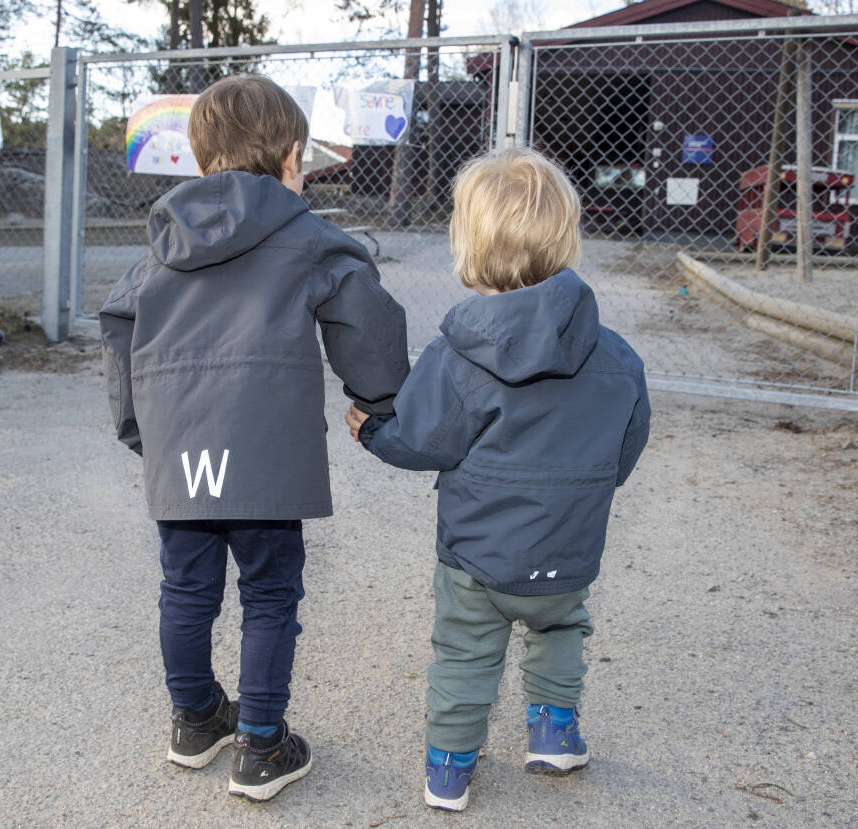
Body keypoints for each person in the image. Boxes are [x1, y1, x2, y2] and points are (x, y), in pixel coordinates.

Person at [100, 73, 410, 802]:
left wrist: (143, 432)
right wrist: (381, 401)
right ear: (293, 156)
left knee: (185, 585)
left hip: (183, 451)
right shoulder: (307, 235)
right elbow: (366, 320)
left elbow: (118, 330)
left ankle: (195, 718)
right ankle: (262, 745)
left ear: (200, 157)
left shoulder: (160, 245)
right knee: (269, 592)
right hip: (266, 456)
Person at [344, 147, 651, 812]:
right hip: (566, 551)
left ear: (469, 243)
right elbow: (625, 447)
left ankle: (449, 770)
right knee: (560, 629)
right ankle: (553, 733)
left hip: (474, 558)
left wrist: (371, 429)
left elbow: (422, 439)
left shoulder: (457, 353)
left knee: (464, 651)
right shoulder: (618, 356)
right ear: (566, 234)